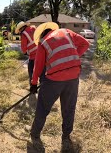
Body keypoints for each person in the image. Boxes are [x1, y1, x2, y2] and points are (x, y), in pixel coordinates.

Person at [29, 22, 89, 150]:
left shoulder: (43, 42)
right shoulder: (67, 32)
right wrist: (72, 59)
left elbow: (38, 67)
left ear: (42, 34)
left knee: (43, 107)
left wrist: (33, 83)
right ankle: (66, 136)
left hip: (54, 80)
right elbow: (85, 44)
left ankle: (35, 134)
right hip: (73, 76)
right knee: (69, 108)